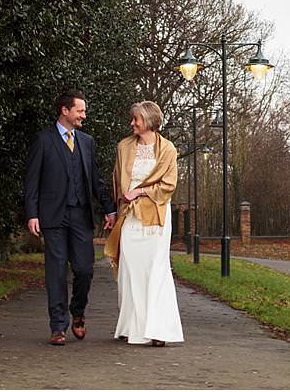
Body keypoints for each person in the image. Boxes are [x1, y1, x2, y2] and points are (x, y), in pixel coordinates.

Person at [24, 89, 116, 346]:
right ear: (65, 110)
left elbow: (95, 180)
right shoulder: (43, 140)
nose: (84, 115)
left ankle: (78, 312)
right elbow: (31, 180)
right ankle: (57, 326)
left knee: (85, 269)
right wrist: (32, 213)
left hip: (81, 214)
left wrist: (109, 208)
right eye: (80, 110)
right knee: (55, 271)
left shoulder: (87, 142)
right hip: (52, 216)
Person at [104, 100, 184, 346]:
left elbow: (168, 185)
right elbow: (118, 181)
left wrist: (139, 192)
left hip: (155, 217)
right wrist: (117, 210)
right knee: (130, 270)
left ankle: (158, 330)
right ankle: (131, 326)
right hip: (129, 216)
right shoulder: (124, 146)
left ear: (148, 121)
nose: (132, 123)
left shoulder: (168, 149)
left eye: (136, 119)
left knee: (156, 270)